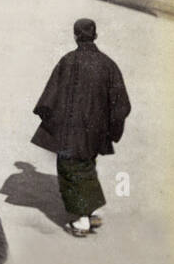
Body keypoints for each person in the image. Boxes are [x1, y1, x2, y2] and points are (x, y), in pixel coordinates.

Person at [31, 18, 131, 237]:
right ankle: (91, 210)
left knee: (70, 169)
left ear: (75, 35)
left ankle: (81, 220)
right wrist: (112, 130)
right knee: (86, 165)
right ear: (95, 36)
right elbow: (121, 104)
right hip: (96, 131)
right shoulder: (108, 65)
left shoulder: (68, 61)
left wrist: (48, 119)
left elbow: (50, 97)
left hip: (70, 131)